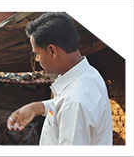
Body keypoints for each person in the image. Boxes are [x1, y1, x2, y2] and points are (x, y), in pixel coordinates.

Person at [7, 12, 112, 145]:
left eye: (37, 53)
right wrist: (36, 108)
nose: (37, 59)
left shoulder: (74, 103)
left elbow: (70, 105)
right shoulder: (89, 75)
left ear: (52, 51)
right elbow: (64, 104)